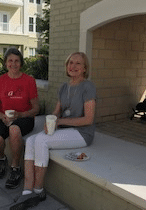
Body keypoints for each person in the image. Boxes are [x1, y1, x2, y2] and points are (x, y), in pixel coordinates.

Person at [10, 52, 96, 210]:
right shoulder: (64, 87)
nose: (73, 66)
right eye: (70, 62)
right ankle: (27, 190)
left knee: (41, 140)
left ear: (85, 68)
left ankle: (38, 190)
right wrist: (51, 120)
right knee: (30, 140)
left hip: (82, 133)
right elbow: (57, 111)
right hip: (64, 129)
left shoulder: (88, 87)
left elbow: (88, 119)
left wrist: (59, 121)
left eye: (78, 63)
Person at [0, 48, 39, 189]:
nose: (13, 64)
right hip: (5, 117)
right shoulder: (0, 81)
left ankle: (15, 168)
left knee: (14, 130)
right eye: (10, 60)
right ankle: (2, 160)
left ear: (21, 63)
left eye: (17, 61)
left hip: (25, 117)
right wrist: (2, 117)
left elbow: (36, 108)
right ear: (6, 63)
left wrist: (21, 115)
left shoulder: (29, 81)